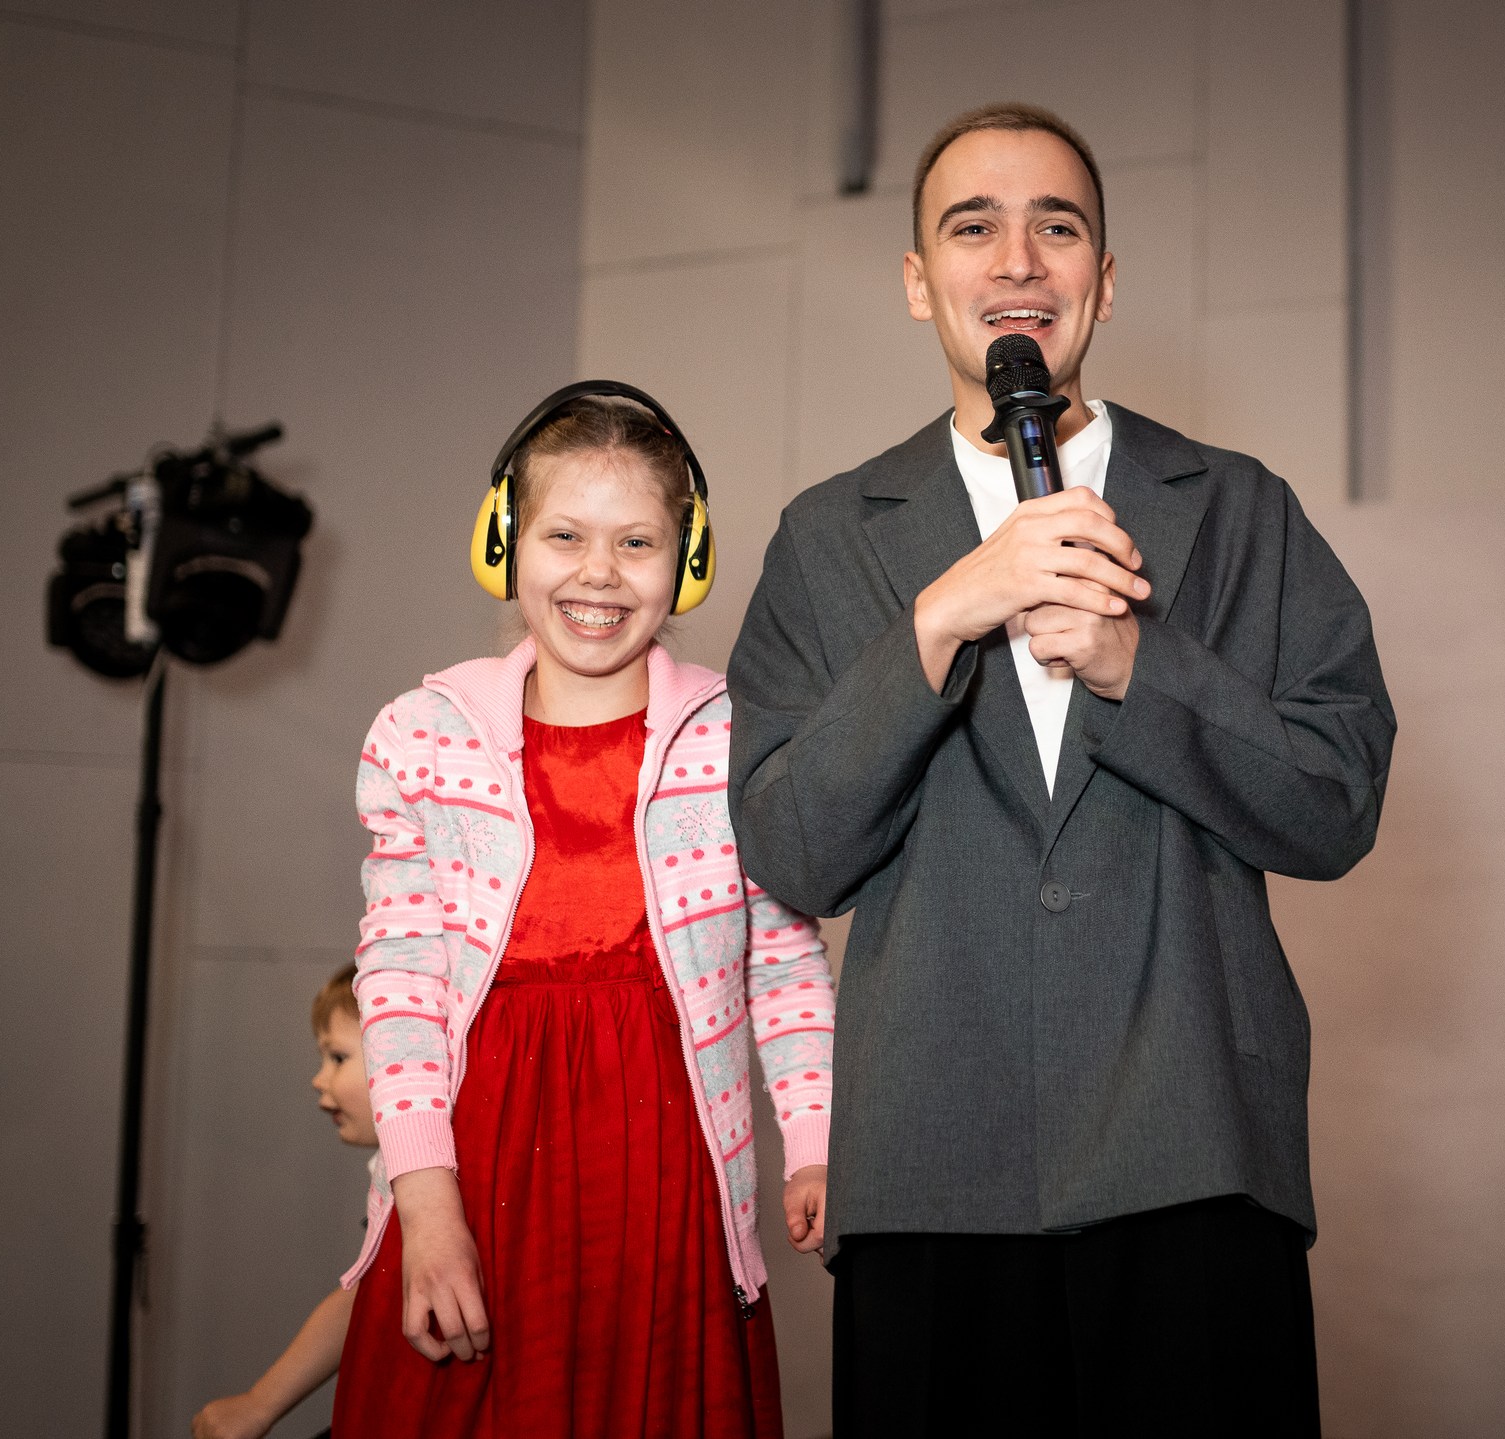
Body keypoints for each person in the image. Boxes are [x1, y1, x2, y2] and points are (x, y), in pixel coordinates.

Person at [727, 102, 1394, 1437]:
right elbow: (791, 846)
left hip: (1193, 1148)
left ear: (1105, 275)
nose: (1018, 259)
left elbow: (1336, 797)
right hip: (928, 1165)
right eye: (973, 227)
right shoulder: (827, 536)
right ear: (918, 279)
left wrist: (1143, 664)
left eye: (1058, 226)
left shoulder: (1240, 507)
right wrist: (937, 620)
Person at [330, 386, 837, 1439]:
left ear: (687, 560)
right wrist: (425, 1204)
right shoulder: (420, 734)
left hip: (663, 1188)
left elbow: (784, 963)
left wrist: (816, 1140)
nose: (598, 572)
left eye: (636, 541)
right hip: (471, 1180)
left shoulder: (737, 737)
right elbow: (401, 980)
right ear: (503, 542)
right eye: (563, 534)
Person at [191, 964, 379, 1439]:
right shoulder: (388, 1171)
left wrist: (259, 1404)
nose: (319, 1079)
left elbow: (360, 1299)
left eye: (338, 1057)